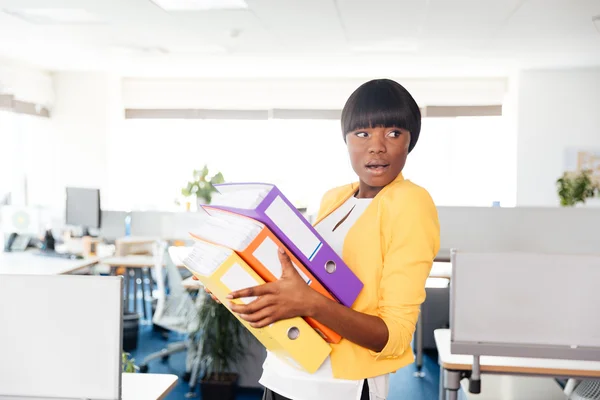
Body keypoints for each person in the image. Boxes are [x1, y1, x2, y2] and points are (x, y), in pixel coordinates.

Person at [201, 78, 440, 400]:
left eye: (394, 133)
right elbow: (299, 281)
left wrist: (310, 303)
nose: (377, 146)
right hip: (283, 371)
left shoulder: (411, 202)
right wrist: (240, 285)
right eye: (363, 133)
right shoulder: (335, 198)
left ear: (410, 142)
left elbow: (394, 335)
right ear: (346, 139)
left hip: (340, 387)